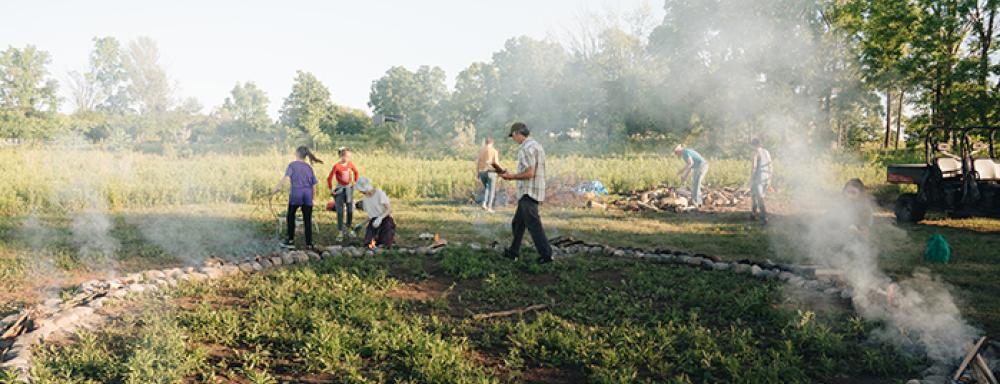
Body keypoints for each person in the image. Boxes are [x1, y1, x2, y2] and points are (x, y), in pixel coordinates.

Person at [499, 122, 553, 264]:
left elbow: (530, 172)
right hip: (534, 189)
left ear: (517, 133)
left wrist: (510, 176)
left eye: (513, 136)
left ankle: (546, 256)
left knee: (533, 224)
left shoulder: (525, 148)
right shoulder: (537, 146)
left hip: (529, 191)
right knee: (518, 223)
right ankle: (513, 252)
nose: (513, 139)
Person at [272, 146, 323, 250]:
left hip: (296, 195)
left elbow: (286, 178)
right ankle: (309, 243)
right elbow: (313, 185)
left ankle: (290, 240)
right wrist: (313, 198)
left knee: (290, 216)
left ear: (296, 153)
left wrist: (278, 187)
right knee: (307, 219)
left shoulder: (292, 165)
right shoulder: (309, 167)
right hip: (307, 195)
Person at [327, 147, 360, 241]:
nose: (348, 158)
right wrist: (331, 189)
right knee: (340, 211)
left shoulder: (350, 164)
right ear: (341, 156)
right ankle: (340, 231)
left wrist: (355, 182)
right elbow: (329, 178)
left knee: (350, 210)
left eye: (349, 157)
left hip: (349, 188)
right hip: (339, 190)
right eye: (346, 156)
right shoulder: (337, 166)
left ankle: (348, 228)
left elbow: (356, 172)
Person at [355, 176, 396, 248]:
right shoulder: (365, 200)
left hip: (385, 219)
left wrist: (380, 218)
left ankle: (387, 241)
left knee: (386, 241)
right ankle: (376, 242)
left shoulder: (379, 194)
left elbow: (389, 209)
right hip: (374, 221)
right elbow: (371, 215)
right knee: (368, 243)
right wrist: (361, 224)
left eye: (363, 191)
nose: (362, 192)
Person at [749, 138, 773, 224]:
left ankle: (764, 217)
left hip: (758, 179)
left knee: (759, 198)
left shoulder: (755, 153)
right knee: (755, 195)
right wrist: (770, 178)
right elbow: (770, 165)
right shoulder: (766, 152)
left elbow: (754, 168)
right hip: (766, 178)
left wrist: (751, 179)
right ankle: (753, 214)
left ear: (753, 145)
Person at [476, 137, 501, 212]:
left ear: (485, 142)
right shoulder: (494, 151)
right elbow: (495, 163)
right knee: (492, 190)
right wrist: (500, 171)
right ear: (492, 143)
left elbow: (478, 162)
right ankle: (489, 207)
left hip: (481, 172)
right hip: (491, 172)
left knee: (487, 188)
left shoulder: (481, 151)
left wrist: (477, 172)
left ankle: (484, 203)